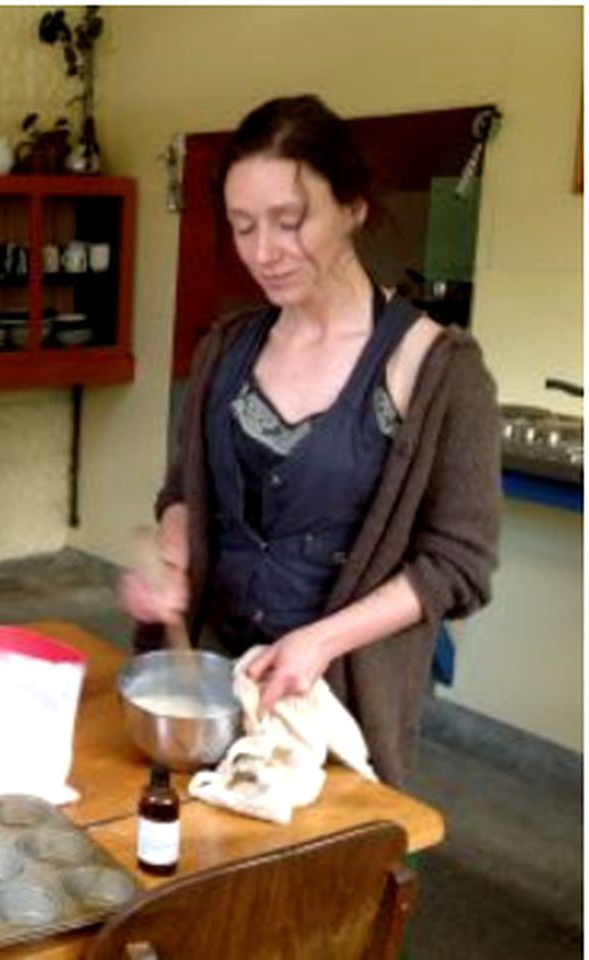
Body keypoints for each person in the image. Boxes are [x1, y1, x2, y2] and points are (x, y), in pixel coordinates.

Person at [121, 94, 501, 786]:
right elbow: (184, 491)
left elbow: (459, 563)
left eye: (290, 223)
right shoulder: (227, 349)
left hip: (339, 706)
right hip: (211, 678)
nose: (264, 253)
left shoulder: (437, 369)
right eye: (242, 228)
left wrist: (319, 642)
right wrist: (172, 559)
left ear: (353, 206)